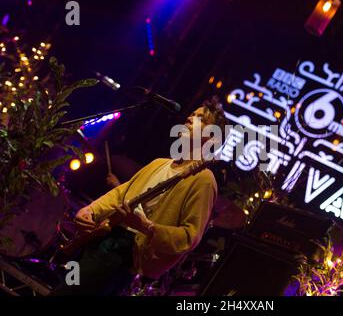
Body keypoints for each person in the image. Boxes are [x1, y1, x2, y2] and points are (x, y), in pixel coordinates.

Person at [52, 96, 227, 295]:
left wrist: (145, 226)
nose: (190, 118)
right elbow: (121, 193)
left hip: (127, 253)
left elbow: (189, 237)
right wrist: (89, 210)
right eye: (192, 114)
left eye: (201, 119)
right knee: (64, 289)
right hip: (104, 237)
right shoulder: (159, 163)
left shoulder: (203, 179)